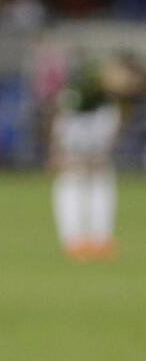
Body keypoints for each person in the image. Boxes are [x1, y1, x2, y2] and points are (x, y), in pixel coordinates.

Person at [49, 52, 142, 261]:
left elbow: (113, 123)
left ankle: (100, 239)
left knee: (102, 182)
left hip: (96, 145)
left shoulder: (116, 97)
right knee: (71, 183)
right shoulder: (86, 85)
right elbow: (63, 117)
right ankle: (74, 241)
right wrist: (60, 150)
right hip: (75, 143)